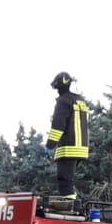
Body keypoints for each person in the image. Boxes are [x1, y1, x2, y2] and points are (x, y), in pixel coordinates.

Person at [44, 72, 90, 201]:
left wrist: (49, 145)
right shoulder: (81, 101)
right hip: (82, 148)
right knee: (69, 179)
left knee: (64, 180)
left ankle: (70, 205)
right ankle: (72, 202)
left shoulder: (63, 101)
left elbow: (58, 125)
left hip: (68, 148)